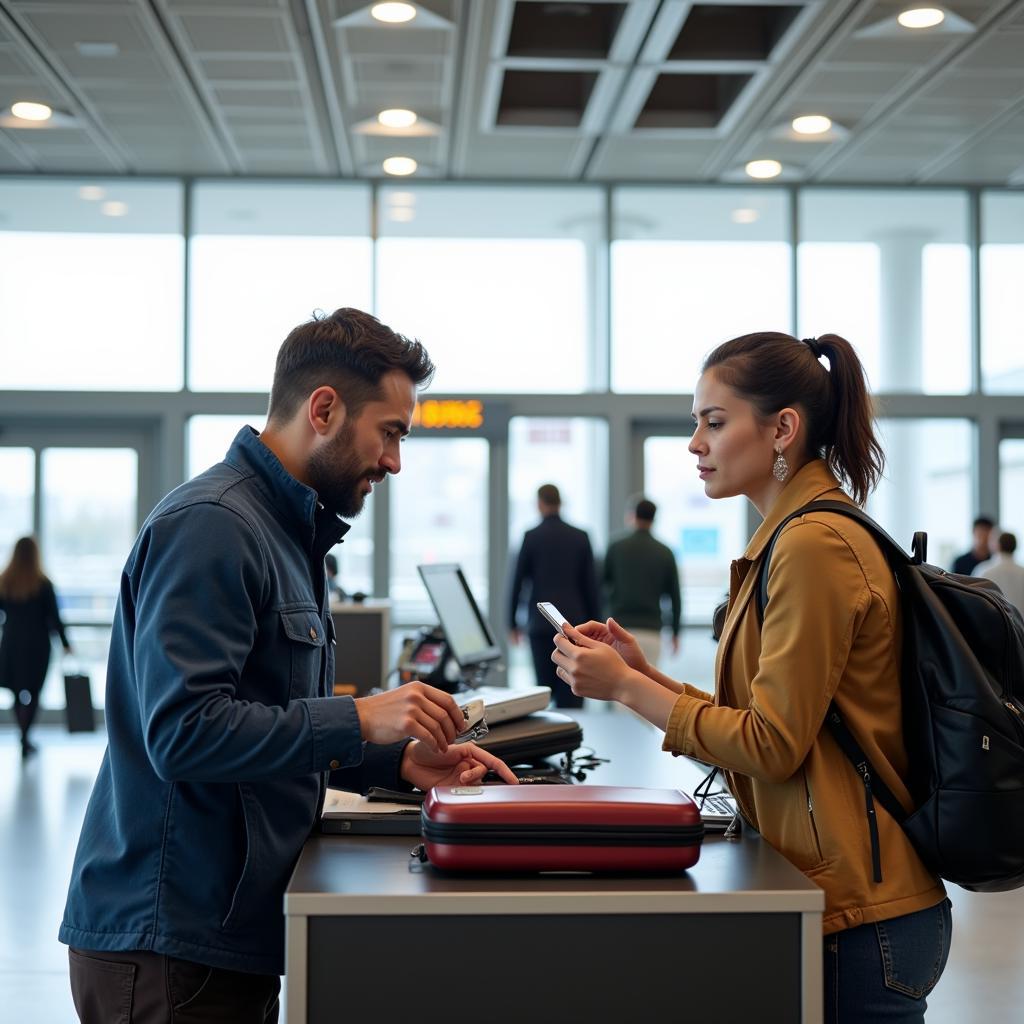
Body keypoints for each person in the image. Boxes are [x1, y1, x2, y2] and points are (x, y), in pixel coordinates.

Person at [59, 308, 517, 1023]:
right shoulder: (213, 525)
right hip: (171, 940)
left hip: (220, 933)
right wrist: (361, 718)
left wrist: (388, 764)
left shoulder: (285, 534)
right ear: (325, 409)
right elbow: (184, 733)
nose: (395, 461)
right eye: (391, 432)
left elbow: (269, 720)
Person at [552, 332, 952, 1023]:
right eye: (694, 424)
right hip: (849, 907)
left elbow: (772, 744)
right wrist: (649, 676)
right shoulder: (794, 537)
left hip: (860, 923)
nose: (695, 444)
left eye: (714, 421)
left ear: (782, 429)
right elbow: (783, 718)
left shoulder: (813, 545)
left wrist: (624, 688)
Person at [508, 483, 600, 708]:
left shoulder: (531, 536)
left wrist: (512, 623)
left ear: (539, 503)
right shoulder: (581, 537)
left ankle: (548, 738)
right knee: (574, 687)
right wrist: (596, 625)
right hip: (574, 626)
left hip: (540, 623)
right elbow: (591, 586)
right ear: (560, 503)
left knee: (544, 690)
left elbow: (518, 582)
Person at [0, 536, 72, 758]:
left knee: (16, 692)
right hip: (37, 646)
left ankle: (23, 735)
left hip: (11, 643)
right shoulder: (43, 584)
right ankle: (25, 737)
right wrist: (66, 644)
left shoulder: (5, 582)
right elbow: (54, 618)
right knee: (34, 693)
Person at [602, 497, 681, 668]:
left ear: (631, 516)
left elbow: (600, 587)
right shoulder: (665, 552)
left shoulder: (616, 547)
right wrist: (675, 633)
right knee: (647, 687)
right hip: (651, 630)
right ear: (654, 519)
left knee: (616, 686)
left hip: (618, 629)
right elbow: (675, 596)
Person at [974, 530, 1024, 615]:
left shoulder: (983, 570)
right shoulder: (1022, 572)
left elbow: (974, 602)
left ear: (997, 546)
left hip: (991, 625)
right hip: (1020, 626)